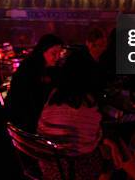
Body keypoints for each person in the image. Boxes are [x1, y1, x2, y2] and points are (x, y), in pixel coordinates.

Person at [37, 51, 103, 180]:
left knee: (111, 147)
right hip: (71, 170)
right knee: (110, 153)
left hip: (48, 166)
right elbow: (92, 141)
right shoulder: (86, 101)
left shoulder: (54, 95)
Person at [6, 34, 63, 133]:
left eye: (60, 53)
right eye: (54, 53)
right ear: (42, 51)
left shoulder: (52, 68)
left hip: (37, 115)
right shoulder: (29, 69)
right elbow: (29, 100)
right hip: (25, 120)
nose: (58, 57)